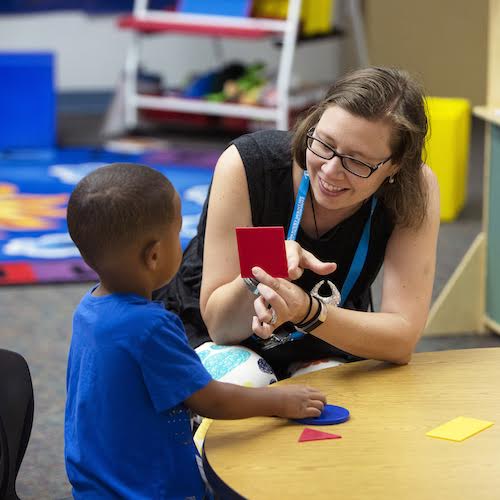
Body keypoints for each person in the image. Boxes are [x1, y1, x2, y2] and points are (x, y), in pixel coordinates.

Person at [157, 66, 440, 382]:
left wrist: (308, 312)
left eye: (357, 161)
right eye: (324, 144)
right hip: (216, 333)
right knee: (246, 381)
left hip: (327, 333)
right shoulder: (249, 164)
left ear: (395, 167)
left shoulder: (415, 188)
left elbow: (401, 341)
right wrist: (264, 265)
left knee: (337, 400)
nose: (331, 170)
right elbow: (221, 326)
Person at [64, 163, 326, 499]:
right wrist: (278, 401)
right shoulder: (151, 326)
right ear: (155, 255)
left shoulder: (87, 310)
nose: (182, 242)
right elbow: (211, 400)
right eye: (177, 233)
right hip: (148, 490)